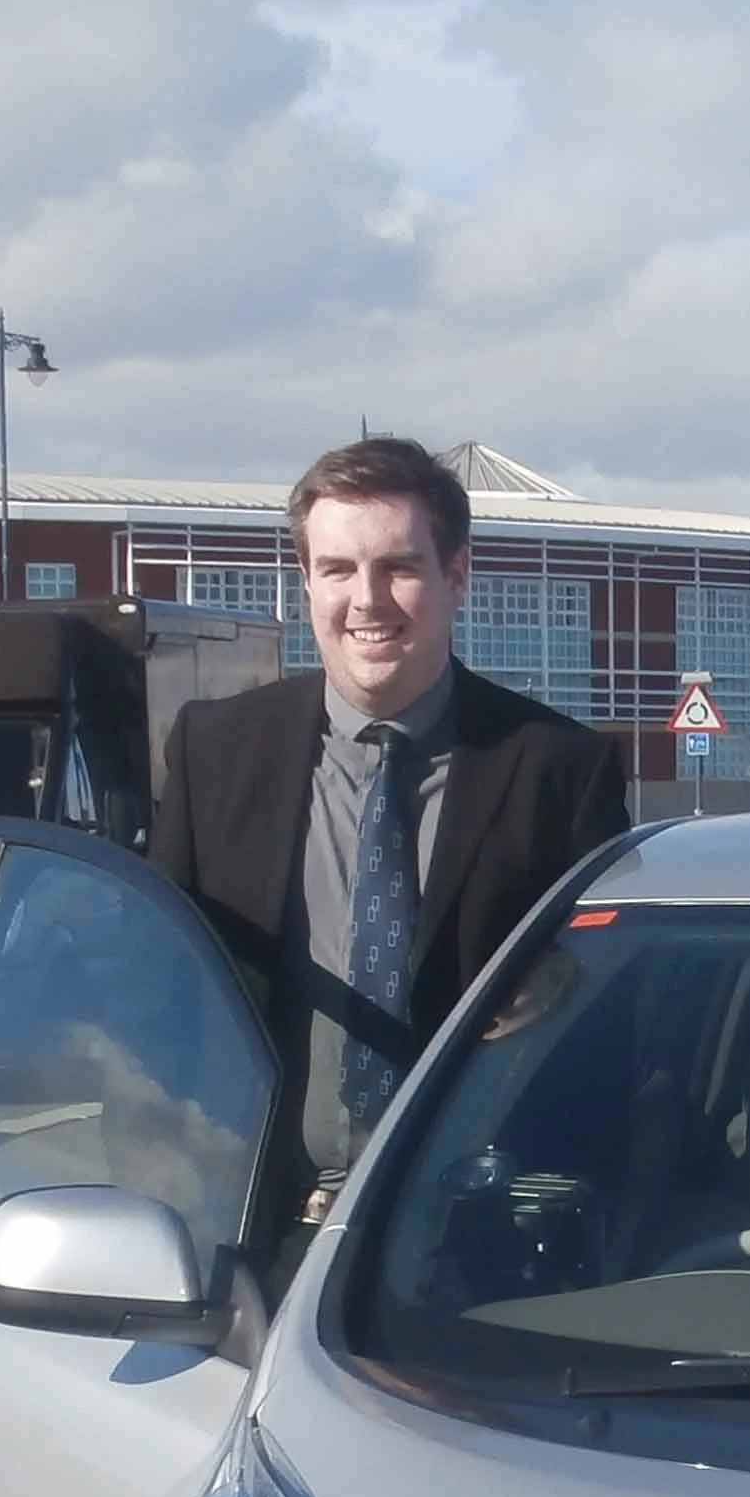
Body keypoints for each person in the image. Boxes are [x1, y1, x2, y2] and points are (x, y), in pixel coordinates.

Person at [155, 435, 633, 1218]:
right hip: (255, 1221)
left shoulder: (558, 770)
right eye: (339, 569)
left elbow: (602, 1015)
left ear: (456, 575)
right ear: (306, 581)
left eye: (398, 568)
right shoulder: (213, 750)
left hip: (472, 1220)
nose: (367, 600)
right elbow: (164, 989)